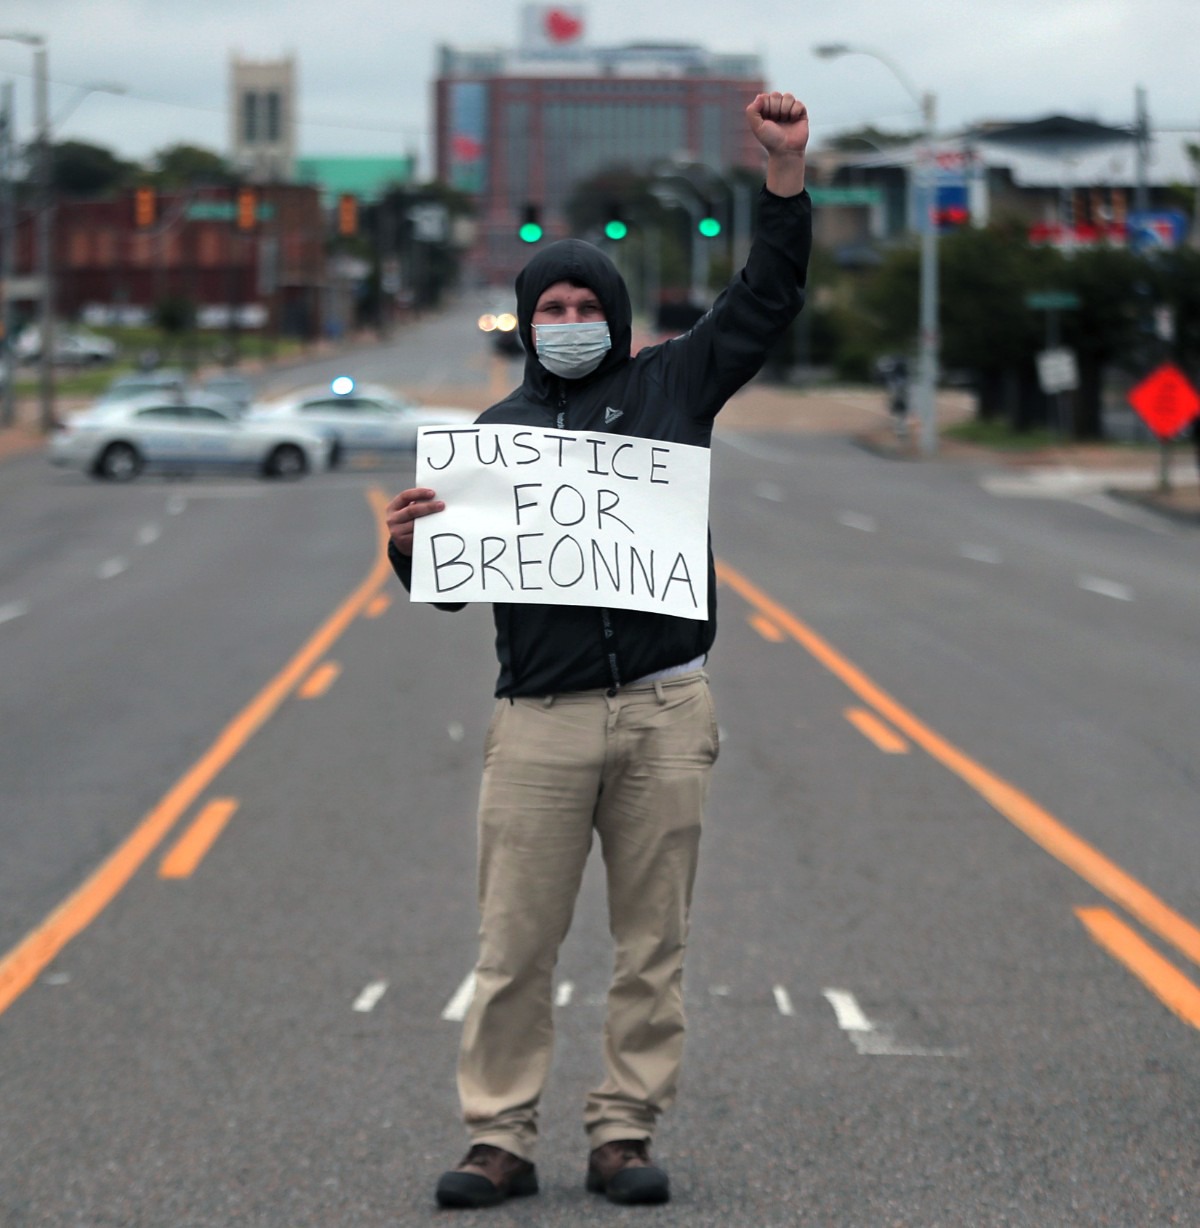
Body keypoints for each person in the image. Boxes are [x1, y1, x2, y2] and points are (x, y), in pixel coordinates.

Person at [385, 90, 812, 1210]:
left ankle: (624, 1131)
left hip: (667, 713)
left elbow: (765, 299)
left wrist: (782, 178)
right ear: (527, 320)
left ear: (616, 314)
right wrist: (408, 549)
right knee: (514, 946)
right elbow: (446, 599)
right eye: (552, 303)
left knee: (649, 947)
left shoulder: (674, 382)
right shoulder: (493, 440)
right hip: (540, 722)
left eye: (587, 302)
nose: (569, 315)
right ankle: (500, 1138)